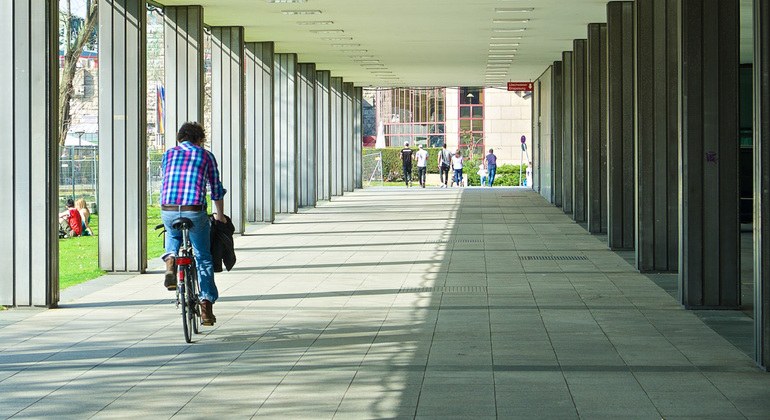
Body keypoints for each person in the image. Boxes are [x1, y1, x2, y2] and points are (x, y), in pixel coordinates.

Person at [160, 121, 227, 326]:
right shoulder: (205, 155)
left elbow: (166, 180)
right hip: (194, 210)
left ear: (180, 138)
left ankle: (171, 260)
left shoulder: (168, 154)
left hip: (168, 209)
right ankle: (206, 305)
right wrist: (220, 215)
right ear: (199, 139)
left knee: (172, 234)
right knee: (203, 256)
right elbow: (215, 189)